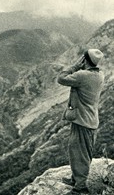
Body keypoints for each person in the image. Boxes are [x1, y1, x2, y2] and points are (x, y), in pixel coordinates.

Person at [57, 49, 104, 195]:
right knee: (79, 151)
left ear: (84, 60)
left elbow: (61, 78)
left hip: (82, 121)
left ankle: (81, 188)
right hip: (90, 120)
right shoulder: (99, 75)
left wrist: (75, 66)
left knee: (79, 153)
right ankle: (75, 179)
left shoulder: (82, 75)